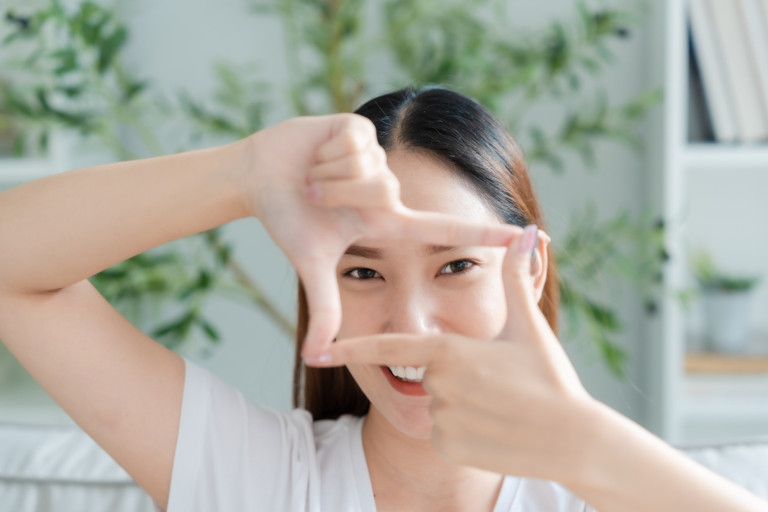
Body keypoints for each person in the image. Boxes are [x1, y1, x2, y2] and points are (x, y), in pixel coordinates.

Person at [0, 86, 764, 512]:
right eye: (362, 273)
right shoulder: (261, 480)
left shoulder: (612, 489)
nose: (412, 325)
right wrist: (243, 173)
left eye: (455, 266)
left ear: (529, 271)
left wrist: (582, 447)